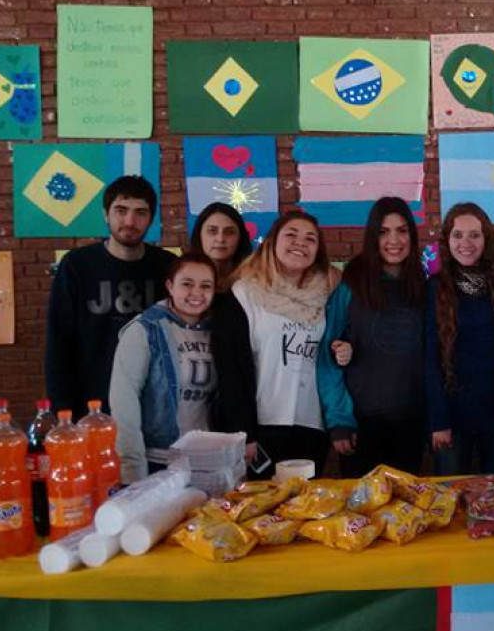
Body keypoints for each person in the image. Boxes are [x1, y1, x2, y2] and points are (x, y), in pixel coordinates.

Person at [213, 211, 339, 475]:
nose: (300, 243)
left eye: (310, 238)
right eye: (291, 234)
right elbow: (231, 370)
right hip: (263, 424)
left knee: (306, 508)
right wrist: (244, 432)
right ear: (271, 242)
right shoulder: (244, 293)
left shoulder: (328, 296)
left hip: (312, 423)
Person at [45, 175, 175, 417]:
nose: (129, 221)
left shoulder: (167, 266)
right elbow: (59, 342)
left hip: (156, 406)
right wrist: (62, 409)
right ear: (106, 214)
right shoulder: (77, 265)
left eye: (140, 213)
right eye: (121, 210)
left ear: (151, 219)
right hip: (92, 405)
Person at [319, 197, 427, 478]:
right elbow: (328, 356)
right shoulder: (351, 284)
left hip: (411, 424)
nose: (394, 240)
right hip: (361, 426)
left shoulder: (422, 286)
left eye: (402, 230)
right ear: (372, 236)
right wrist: (339, 421)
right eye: (383, 231)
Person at [425, 202, 494, 476]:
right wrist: (438, 420)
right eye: (458, 235)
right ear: (447, 240)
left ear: (486, 239)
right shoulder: (435, 288)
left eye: (474, 235)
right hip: (451, 420)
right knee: (452, 499)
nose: (465, 243)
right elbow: (431, 359)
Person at [109, 253, 219, 483]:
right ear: (170, 285)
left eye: (205, 285)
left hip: (208, 458)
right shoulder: (145, 329)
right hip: (160, 461)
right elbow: (123, 402)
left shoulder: (220, 330)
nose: (197, 293)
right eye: (187, 284)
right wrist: (131, 468)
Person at [189, 202, 254, 290]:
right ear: (199, 235)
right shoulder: (184, 279)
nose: (220, 239)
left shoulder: (255, 281)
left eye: (229, 232)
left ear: (240, 237)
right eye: (212, 231)